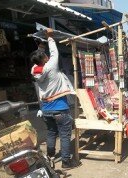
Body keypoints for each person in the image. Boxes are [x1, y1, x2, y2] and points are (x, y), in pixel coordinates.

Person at [30, 28, 76, 168]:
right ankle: (66, 162)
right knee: (64, 135)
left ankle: (50, 157)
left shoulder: (34, 70)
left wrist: (41, 46)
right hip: (60, 109)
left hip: (46, 109)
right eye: (45, 56)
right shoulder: (51, 67)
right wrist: (50, 37)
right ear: (44, 59)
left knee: (51, 132)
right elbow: (54, 52)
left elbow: (37, 58)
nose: (47, 56)